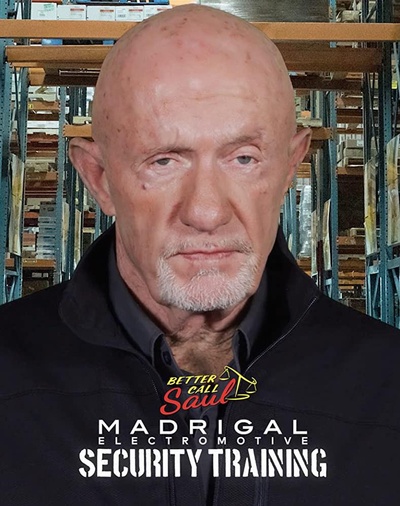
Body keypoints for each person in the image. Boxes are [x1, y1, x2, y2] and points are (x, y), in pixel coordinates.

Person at [1, 5, 400, 505]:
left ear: (289, 167)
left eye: (244, 158)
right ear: (99, 179)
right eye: (164, 161)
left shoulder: (387, 386)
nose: (207, 212)